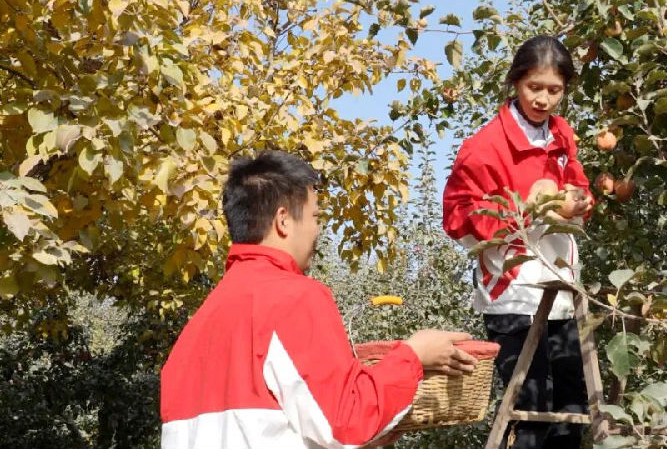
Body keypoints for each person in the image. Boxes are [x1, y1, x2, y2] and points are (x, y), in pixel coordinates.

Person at [160, 150, 477, 449]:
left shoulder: (198, 326)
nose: (319, 229)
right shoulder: (294, 297)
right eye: (315, 215)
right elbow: (345, 420)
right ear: (284, 221)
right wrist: (413, 354)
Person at [443, 35, 593, 449]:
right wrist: (526, 210)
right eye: (534, 88)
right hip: (512, 289)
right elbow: (457, 215)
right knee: (531, 405)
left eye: (554, 90)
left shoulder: (561, 136)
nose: (543, 99)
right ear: (515, 83)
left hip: (560, 284)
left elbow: (579, 188)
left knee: (572, 405)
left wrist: (579, 200)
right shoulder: (484, 147)